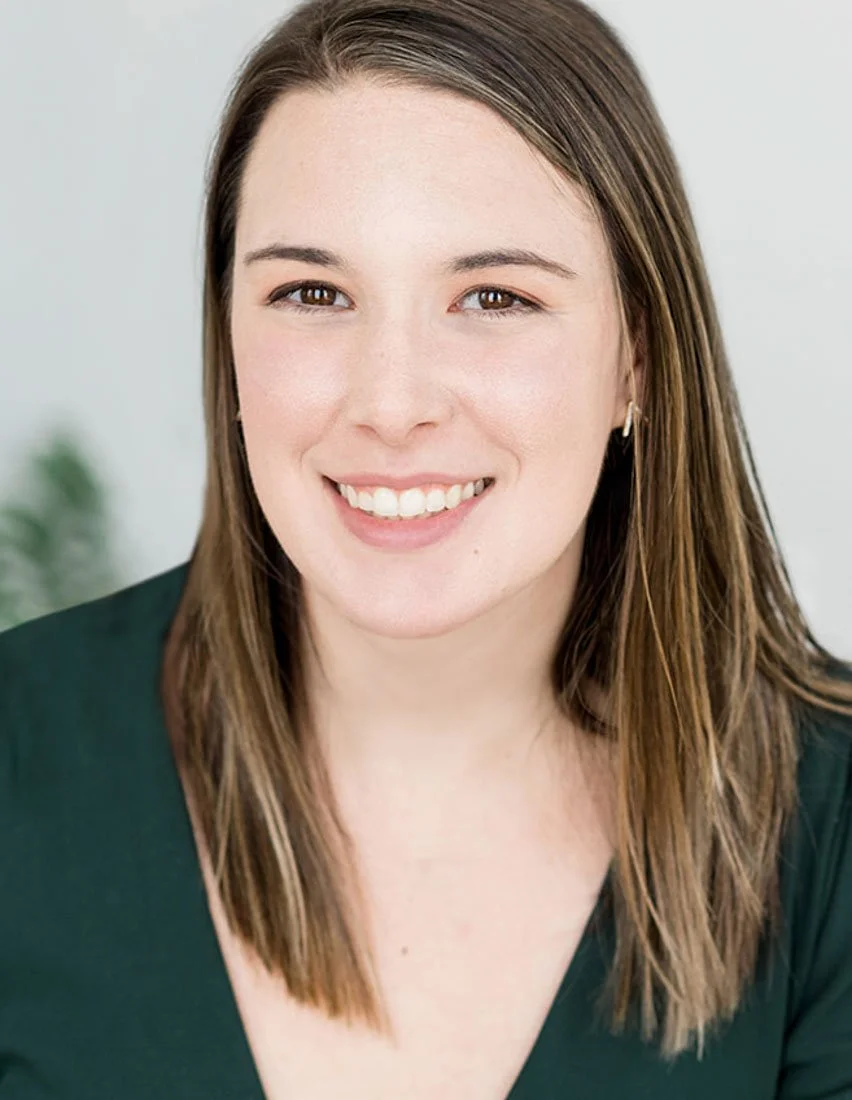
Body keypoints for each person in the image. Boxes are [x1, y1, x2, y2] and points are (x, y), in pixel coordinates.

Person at [1, 0, 850, 1095]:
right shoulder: (21, 757)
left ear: (635, 358)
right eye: (312, 292)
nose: (391, 404)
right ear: (228, 340)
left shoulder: (829, 827)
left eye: (493, 295)